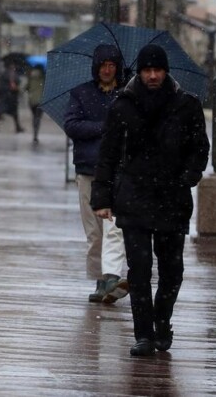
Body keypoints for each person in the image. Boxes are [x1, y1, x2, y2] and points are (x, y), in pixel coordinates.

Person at [92, 44, 209, 358]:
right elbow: (108, 154)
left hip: (172, 198)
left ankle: (162, 319)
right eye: (147, 70)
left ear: (166, 71)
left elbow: (200, 148)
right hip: (134, 197)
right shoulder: (123, 106)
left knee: (172, 271)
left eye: (158, 70)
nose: (153, 76)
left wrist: (188, 176)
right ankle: (143, 334)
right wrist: (102, 197)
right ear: (139, 72)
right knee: (139, 270)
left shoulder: (187, 105)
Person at [62, 44, 128, 305]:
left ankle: (112, 275)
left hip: (118, 171)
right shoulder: (81, 94)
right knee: (94, 231)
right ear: (97, 68)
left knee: (115, 227)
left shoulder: (126, 95)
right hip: (88, 170)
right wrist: (104, 128)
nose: (107, 70)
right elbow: (72, 125)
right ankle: (101, 279)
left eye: (112, 65)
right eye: (103, 65)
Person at [0, 58, 23, 133]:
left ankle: (17, 127)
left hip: (10, 97)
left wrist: (16, 88)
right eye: (12, 66)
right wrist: (10, 88)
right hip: (7, 97)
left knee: (13, 113)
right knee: (0, 111)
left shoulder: (13, 75)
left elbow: (17, 83)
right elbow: (2, 86)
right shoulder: (6, 75)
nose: (13, 67)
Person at [26, 64, 46, 143]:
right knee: (38, 117)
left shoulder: (30, 77)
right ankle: (36, 134)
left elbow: (26, 88)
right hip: (41, 101)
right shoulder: (43, 77)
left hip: (32, 101)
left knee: (34, 116)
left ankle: (34, 132)